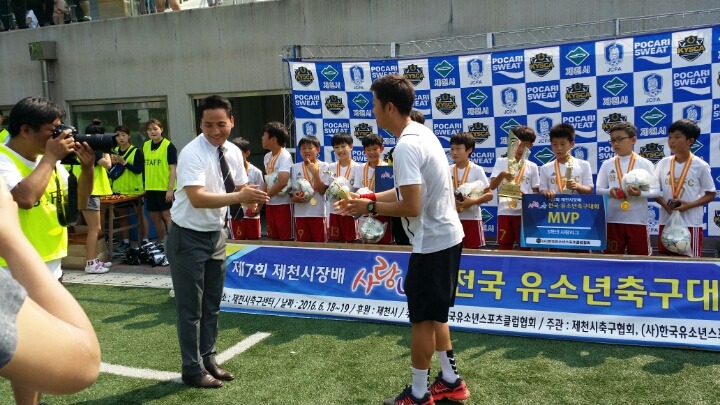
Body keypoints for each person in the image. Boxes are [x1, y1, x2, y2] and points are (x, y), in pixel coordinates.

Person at [336, 74, 470, 405]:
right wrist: (368, 196)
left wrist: (368, 206)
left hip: (433, 241)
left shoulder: (407, 145)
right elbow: (405, 191)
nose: (373, 111)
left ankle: (419, 394)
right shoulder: (421, 133)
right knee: (436, 314)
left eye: (374, 105)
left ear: (389, 107)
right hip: (446, 236)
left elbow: (411, 205)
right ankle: (451, 380)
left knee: (422, 319)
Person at [166, 95, 268, 389]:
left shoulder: (233, 151)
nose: (215, 131)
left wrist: (252, 202)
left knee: (212, 305)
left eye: (221, 124)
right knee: (190, 310)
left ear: (231, 122)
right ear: (199, 124)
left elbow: (240, 186)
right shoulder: (191, 153)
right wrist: (240, 197)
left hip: (216, 235)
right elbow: (197, 198)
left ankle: (208, 359)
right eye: (208, 125)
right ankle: (191, 368)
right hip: (187, 237)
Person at [0, 96, 95, 405]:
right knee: (23, 348)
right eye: (53, 130)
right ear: (26, 130)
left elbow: (79, 204)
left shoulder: (48, 160)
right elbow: (24, 198)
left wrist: (88, 169)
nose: (61, 135)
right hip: (12, 270)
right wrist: (51, 158)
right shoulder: (4, 160)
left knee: (42, 347)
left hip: (49, 266)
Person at [596, 122, 660, 255]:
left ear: (633, 140)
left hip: (637, 221)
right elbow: (598, 189)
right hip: (613, 220)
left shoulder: (644, 163)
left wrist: (640, 193)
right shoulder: (607, 164)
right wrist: (610, 192)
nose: (615, 143)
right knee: (611, 260)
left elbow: (656, 191)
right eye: (613, 140)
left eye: (620, 139)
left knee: (640, 260)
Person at [654, 119, 715, 257]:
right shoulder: (663, 163)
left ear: (690, 141)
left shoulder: (700, 165)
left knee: (690, 262)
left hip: (690, 223)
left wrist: (689, 205)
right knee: (665, 261)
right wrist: (665, 204)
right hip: (666, 221)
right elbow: (654, 190)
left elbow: (711, 194)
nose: (671, 141)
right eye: (670, 137)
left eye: (677, 137)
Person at [67, 119, 113, 274]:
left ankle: (94, 260)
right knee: (94, 229)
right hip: (89, 192)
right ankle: (91, 262)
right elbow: (108, 164)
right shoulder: (93, 151)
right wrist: (106, 149)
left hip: (87, 191)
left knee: (95, 228)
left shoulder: (82, 149)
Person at [488, 125, 539, 250]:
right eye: (517, 145)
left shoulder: (532, 166)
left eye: (525, 145)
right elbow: (492, 186)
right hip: (504, 211)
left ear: (531, 146)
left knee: (525, 247)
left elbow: (536, 192)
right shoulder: (501, 162)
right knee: (504, 246)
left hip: (524, 213)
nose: (520, 149)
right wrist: (502, 175)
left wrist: (527, 198)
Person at [449, 132, 493, 249]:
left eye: (458, 149)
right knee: (452, 252)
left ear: (469, 150)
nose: (454, 152)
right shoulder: (447, 170)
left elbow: (489, 194)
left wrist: (472, 202)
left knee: (473, 252)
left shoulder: (477, 169)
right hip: (452, 219)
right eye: (452, 149)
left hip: (472, 218)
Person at [387, 109, 424, 246]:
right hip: (400, 206)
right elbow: (392, 180)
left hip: (421, 219)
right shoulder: (395, 151)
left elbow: (412, 206)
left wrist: (371, 206)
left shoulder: (407, 148)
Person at [110, 125, 149, 253]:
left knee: (140, 215)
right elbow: (109, 171)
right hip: (119, 190)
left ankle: (145, 240)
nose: (121, 138)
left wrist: (124, 163)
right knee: (122, 216)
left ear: (129, 136)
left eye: (123, 135)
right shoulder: (114, 151)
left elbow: (139, 170)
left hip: (134, 190)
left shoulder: (136, 151)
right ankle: (126, 241)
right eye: (118, 135)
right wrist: (112, 164)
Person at [352, 133, 393, 244]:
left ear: (382, 148)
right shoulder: (359, 168)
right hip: (365, 213)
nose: (371, 153)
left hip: (382, 211)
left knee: (384, 244)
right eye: (368, 150)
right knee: (366, 245)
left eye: (375, 149)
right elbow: (357, 190)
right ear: (364, 151)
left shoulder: (387, 168)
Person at [143, 118, 177, 243]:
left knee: (167, 215)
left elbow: (173, 169)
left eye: (155, 129)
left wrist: (170, 190)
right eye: (149, 130)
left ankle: (173, 243)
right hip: (151, 187)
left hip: (164, 187)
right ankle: (162, 241)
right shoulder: (146, 145)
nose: (152, 132)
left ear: (161, 129)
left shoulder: (169, 146)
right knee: (154, 216)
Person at [290, 136, 329, 243]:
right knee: (302, 246)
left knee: (320, 245)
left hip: (318, 213)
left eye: (310, 148)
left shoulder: (324, 166)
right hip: (300, 214)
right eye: (303, 148)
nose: (306, 151)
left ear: (318, 149)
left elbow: (322, 190)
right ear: (300, 151)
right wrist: (295, 198)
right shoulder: (295, 167)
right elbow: (291, 192)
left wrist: (315, 173)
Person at [539, 123, 593, 199]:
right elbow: (542, 190)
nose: (559, 148)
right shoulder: (545, 168)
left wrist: (577, 186)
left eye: (562, 144)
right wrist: (546, 192)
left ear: (572, 144)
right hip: (554, 206)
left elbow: (589, 190)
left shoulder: (584, 165)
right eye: (554, 144)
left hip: (577, 205)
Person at [261, 121, 293, 241]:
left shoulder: (285, 156)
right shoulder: (267, 157)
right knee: (273, 239)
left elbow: (282, 182)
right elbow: (267, 180)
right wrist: (260, 201)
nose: (262, 138)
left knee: (286, 240)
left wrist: (265, 197)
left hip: (283, 205)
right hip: (270, 204)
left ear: (273, 139)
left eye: (264, 135)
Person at [229, 137, 265, 240]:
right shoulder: (228, 172)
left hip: (252, 215)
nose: (235, 156)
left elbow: (261, 193)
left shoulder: (256, 172)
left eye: (238, 153)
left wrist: (257, 209)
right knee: (236, 244)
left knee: (253, 244)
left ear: (247, 153)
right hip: (235, 215)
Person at [327, 132, 359, 243]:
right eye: (336, 147)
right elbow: (328, 189)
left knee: (352, 243)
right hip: (334, 211)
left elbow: (358, 192)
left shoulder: (358, 167)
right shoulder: (331, 167)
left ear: (351, 146)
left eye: (343, 146)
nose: (340, 150)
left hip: (350, 212)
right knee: (335, 243)